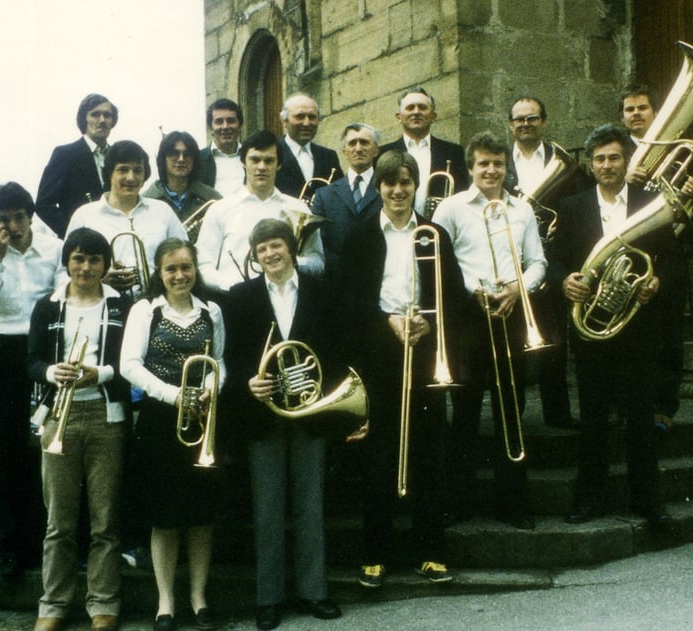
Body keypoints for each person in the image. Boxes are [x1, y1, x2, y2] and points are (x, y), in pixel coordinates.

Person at [339, 150, 465, 590]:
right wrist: (386, 321)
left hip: (425, 347)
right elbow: (349, 301)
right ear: (379, 189)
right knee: (379, 452)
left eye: (406, 183)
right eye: (390, 184)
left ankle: (431, 552)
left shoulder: (433, 234)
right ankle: (375, 554)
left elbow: (455, 293)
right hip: (379, 351)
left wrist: (429, 320)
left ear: (416, 187)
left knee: (429, 451)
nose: (398, 191)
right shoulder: (358, 236)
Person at [549, 124, 678, 526]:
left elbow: (674, 260)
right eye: (600, 159)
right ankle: (589, 498)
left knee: (640, 416)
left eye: (615, 157)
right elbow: (553, 259)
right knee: (593, 418)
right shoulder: (572, 206)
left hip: (638, 326)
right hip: (594, 329)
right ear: (590, 164)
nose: (607, 165)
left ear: (627, 160)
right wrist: (563, 280)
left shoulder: (651, 201)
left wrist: (657, 281)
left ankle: (648, 500)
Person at [224, 219, 346, 630]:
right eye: (261, 249)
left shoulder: (322, 291)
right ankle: (269, 597)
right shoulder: (240, 297)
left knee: (311, 505)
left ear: (291, 248)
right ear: (254, 256)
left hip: (311, 412)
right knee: (268, 508)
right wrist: (249, 382)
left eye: (276, 245)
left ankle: (315, 591)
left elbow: (335, 348)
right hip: (264, 416)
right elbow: (234, 356)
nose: (270, 254)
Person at [432, 131, 546, 530]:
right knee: (463, 413)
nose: (491, 170)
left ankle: (513, 503)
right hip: (467, 318)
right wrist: (472, 292)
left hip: (511, 315)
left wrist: (517, 288)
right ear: (471, 168)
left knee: (509, 413)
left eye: (498, 163)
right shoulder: (451, 209)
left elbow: (538, 263)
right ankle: (459, 501)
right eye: (483, 164)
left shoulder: (522, 211)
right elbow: (442, 263)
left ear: (505, 167)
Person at [27, 227, 131, 631]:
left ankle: (103, 601)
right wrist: (54, 371)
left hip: (107, 418)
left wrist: (100, 373)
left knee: (105, 519)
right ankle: (52, 605)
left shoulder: (124, 306)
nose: (86, 267)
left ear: (105, 266)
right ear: (67, 262)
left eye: (94, 260)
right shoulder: (47, 307)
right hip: (58, 418)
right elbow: (31, 361)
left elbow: (132, 363)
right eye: (78, 259)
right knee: (59, 522)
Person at [120, 238, 226, 631]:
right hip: (161, 420)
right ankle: (165, 602)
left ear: (195, 268)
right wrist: (174, 395)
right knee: (164, 516)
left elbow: (220, 361)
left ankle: (199, 599)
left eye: (186, 267)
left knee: (201, 516)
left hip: (201, 421)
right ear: (159, 273)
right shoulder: (145, 310)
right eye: (171, 269)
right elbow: (129, 364)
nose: (180, 275)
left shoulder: (211, 310)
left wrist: (214, 386)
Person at [0, 182, 63, 580]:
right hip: (5, 351)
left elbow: (63, 298)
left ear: (30, 215)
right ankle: (13, 547)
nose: (12, 226)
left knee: (52, 451)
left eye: (19, 217)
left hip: (44, 351)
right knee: (10, 453)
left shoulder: (53, 247)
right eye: (3, 219)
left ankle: (53, 546)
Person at [619, 83, 693, 433]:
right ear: (623, 116)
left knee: (668, 333)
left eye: (642, 108)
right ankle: (626, 406)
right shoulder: (615, 151)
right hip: (627, 253)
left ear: (654, 111)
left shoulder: (682, 152)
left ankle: (663, 407)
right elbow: (595, 189)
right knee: (625, 334)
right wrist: (624, 178)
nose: (636, 114)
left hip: (669, 253)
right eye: (629, 109)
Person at [504, 95, 585, 430]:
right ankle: (515, 413)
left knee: (553, 336)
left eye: (532, 118)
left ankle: (557, 413)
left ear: (544, 122)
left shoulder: (561, 161)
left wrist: (560, 226)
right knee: (513, 338)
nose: (525, 124)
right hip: (509, 258)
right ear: (510, 125)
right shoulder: (500, 162)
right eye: (519, 119)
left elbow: (578, 204)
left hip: (549, 256)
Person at [196, 130, 324, 297]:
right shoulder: (220, 209)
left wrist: (291, 262)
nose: (262, 167)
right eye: (255, 160)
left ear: (278, 165)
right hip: (235, 301)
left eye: (269, 161)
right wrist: (233, 287)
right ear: (243, 163)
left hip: (287, 298)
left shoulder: (298, 208)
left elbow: (318, 261)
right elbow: (203, 264)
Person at [64, 140, 188, 295]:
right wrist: (99, 278)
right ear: (109, 174)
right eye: (123, 170)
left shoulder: (162, 211)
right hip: (104, 306)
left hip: (156, 306)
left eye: (138, 170)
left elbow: (186, 256)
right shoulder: (85, 215)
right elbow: (64, 270)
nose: (131, 178)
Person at [37, 94, 119, 238]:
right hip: (81, 244)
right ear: (84, 119)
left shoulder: (118, 156)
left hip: (116, 237)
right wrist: (73, 234)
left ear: (113, 121)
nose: (102, 120)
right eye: (95, 115)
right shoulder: (65, 154)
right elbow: (44, 205)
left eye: (107, 115)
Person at [379, 87, 469, 213]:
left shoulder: (454, 152)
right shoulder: (382, 154)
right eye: (410, 108)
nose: (416, 112)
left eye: (422, 107)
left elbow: (462, 195)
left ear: (433, 116)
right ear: (399, 117)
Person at [310, 123, 383, 279]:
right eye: (352, 143)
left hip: (379, 276)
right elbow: (318, 241)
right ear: (344, 151)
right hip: (337, 281)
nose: (358, 148)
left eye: (364, 142)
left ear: (376, 150)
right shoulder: (324, 194)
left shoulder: (388, 188)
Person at [143, 131, 222, 228]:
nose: (181, 159)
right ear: (163, 159)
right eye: (174, 154)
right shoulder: (145, 201)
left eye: (187, 154)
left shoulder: (212, 198)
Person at [274, 93, 343, 199]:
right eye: (299, 117)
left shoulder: (329, 156)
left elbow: (340, 196)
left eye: (312, 117)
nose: (306, 123)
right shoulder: (271, 154)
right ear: (284, 121)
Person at [196, 98, 245, 196]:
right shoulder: (197, 160)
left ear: (239, 125)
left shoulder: (251, 157)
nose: (225, 126)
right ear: (211, 127)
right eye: (219, 122)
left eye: (231, 121)